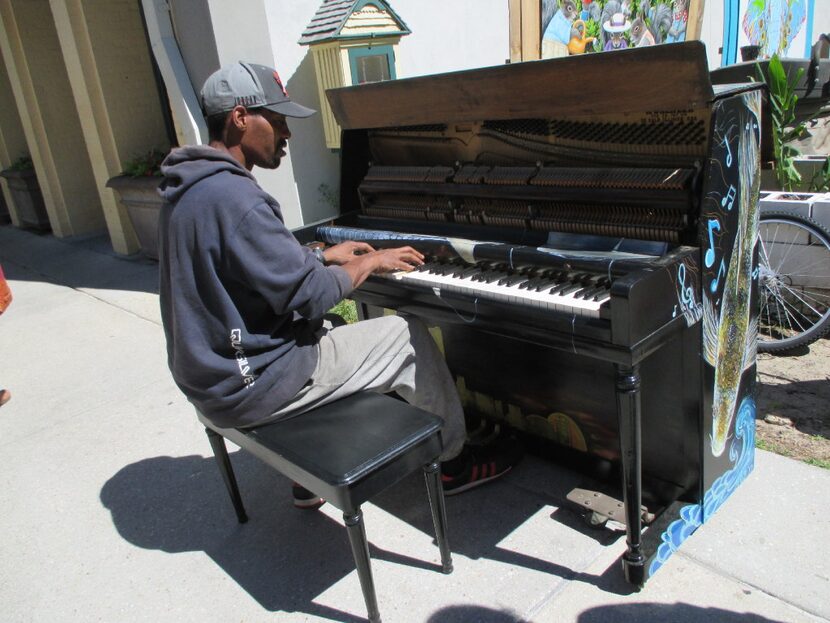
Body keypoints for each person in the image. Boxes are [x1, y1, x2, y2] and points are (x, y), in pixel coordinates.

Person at [157, 61, 520, 507]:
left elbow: (243, 269)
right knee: (405, 336)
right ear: (239, 118)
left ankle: (308, 476)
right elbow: (312, 296)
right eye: (277, 119)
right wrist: (374, 261)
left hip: (215, 379)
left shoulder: (188, 190)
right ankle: (453, 464)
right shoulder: (239, 198)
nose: (286, 133)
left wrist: (320, 255)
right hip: (255, 386)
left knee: (334, 329)